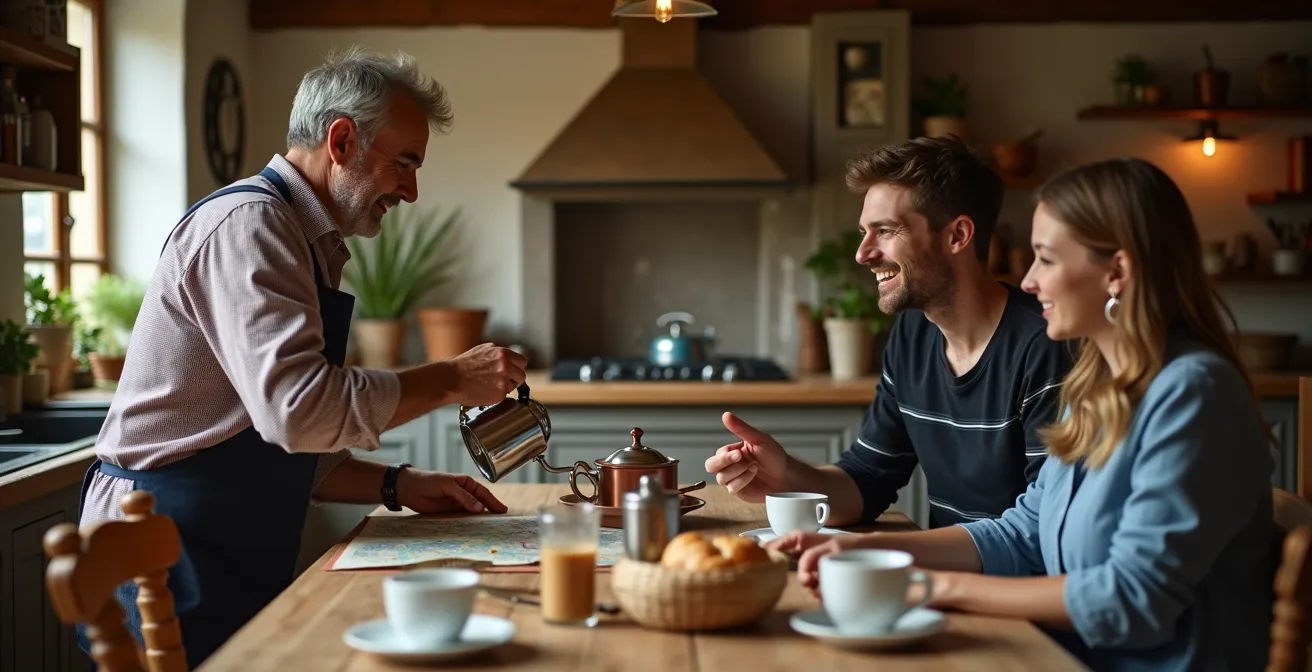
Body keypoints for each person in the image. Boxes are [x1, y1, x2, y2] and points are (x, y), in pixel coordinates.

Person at [75, 46, 525, 668]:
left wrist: (398, 484)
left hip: (212, 530)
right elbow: (298, 413)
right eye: (405, 162)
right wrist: (450, 378)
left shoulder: (304, 239)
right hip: (169, 540)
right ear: (341, 141)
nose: (412, 190)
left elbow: (276, 444)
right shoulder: (252, 226)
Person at [770, 158, 1276, 671]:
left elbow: (1130, 602)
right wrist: (867, 552)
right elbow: (1023, 533)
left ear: (1116, 273)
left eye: (1047, 260)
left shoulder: (1194, 394)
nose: (1028, 283)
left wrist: (934, 586)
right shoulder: (1096, 382)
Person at [706, 136, 1073, 528]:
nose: (863, 253)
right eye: (866, 231)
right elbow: (867, 480)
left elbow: (1040, 531)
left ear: (957, 236)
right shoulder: (913, 333)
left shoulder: (1046, 347)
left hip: (1007, 587)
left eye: (885, 230)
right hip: (942, 577)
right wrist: (783, 477)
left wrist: (891, 549)